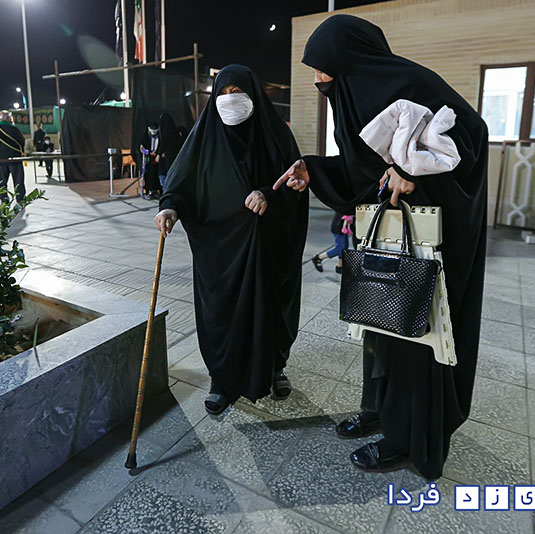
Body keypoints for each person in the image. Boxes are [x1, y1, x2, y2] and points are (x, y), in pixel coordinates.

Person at [274, 15, 488, 480]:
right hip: (386, 237)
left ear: (350, 60)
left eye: (324, 67)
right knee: (382, 327)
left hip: (428, 242)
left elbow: (472, 134)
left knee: (415, 336)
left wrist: (414, 170)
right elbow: (362, 169)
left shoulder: (411, 83)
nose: (318, 79)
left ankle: (408, 439)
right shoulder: (358, 96)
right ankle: (379, 412)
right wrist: (313, 169)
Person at [155, 64, 308, 415]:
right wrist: (170, 208)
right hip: (220, 252)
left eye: (237, 92)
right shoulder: (203, 138)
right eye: (222, 94)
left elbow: (296, 184)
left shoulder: (276, 136)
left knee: (272, 309)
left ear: (253, 94)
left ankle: (275, 367)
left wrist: (269, 194)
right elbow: (181, 183)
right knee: (221, 314)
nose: (229, 100)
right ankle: (222, 380)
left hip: (269, 247)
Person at [0, 110, 26, 202]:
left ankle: (4, 199)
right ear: (8, 118)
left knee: (2, 181)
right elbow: (22, 141)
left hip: (2, 159)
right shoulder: (13, 129)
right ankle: (20, 199)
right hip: (15, 159)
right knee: (18, 181)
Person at [157, 112, 184, 191]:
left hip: (168, 157)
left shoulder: (165, 133)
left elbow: (163, 143)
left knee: (166, 174)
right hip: (177, 157)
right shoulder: (176, 132)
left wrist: (159, 154)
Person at [139, 122, 162, 199]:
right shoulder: (145, 136)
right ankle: (149, 190)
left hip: (158, 158)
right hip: (148, 158)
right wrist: (148, 152)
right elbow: (142, 148)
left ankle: (157, 190)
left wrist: (157, 153)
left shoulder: (160, 136)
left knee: (157, 174)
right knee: (149, 174)